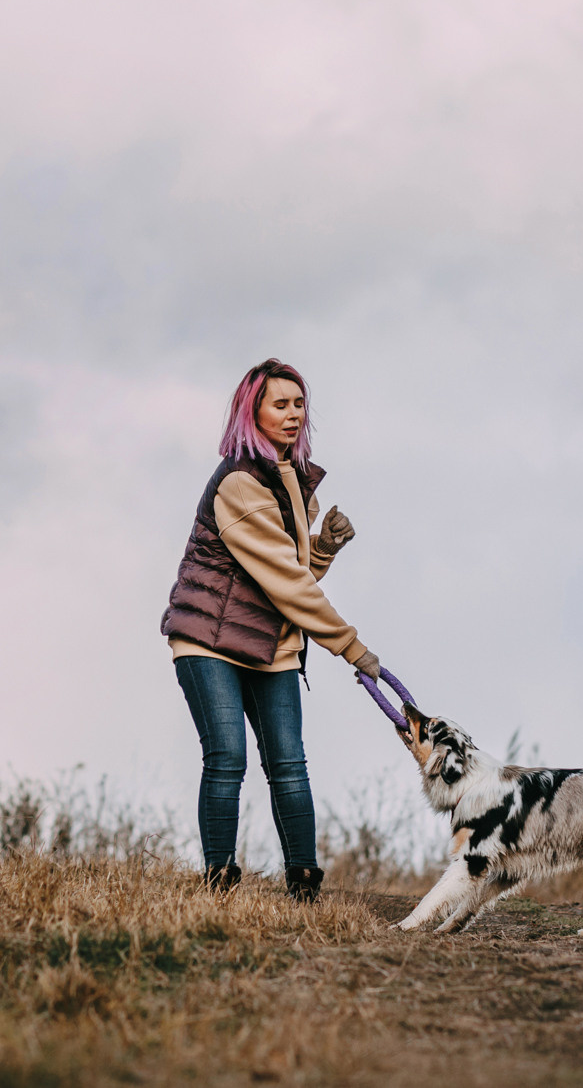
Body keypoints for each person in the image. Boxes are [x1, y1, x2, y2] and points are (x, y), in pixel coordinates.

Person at [160, 358, 380, 903]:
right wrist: (350, 646)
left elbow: (293, 574)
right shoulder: (240, 482)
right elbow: (286, 584)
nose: (292, 415)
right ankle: (219, 884)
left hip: (270, 642)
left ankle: (304, 886)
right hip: (209, 639)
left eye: (299, 404)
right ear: (251, 410)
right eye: (279, 404)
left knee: (288, 762)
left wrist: (323, 544)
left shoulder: (296, 483)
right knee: (228, 756)